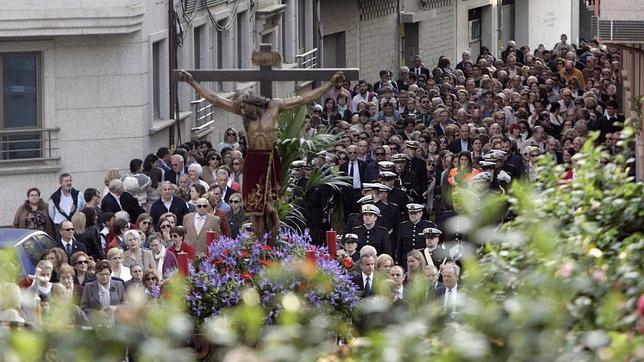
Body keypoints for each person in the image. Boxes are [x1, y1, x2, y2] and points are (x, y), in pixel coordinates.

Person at [179, 67, 344, 244]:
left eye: (247, 109)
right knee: (254, 211)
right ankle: (259, 245)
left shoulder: (274, 106)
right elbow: (215, 99)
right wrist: (192, 82)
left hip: (270, 159)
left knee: (271, 209)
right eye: (242, 109)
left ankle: (272, 242)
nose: (245, 112)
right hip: (252, 160)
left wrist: (329, 84)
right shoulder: (243, 111)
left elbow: (304, 98)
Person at [48, 173, 86, 241]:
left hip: (75, 225)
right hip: (60, 227)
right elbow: (52, 214)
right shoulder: (54, 197)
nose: (69, 183)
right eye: (66, 181)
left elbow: (83, 207)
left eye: (70, 180)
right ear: (60, 183)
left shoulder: (78, 194)